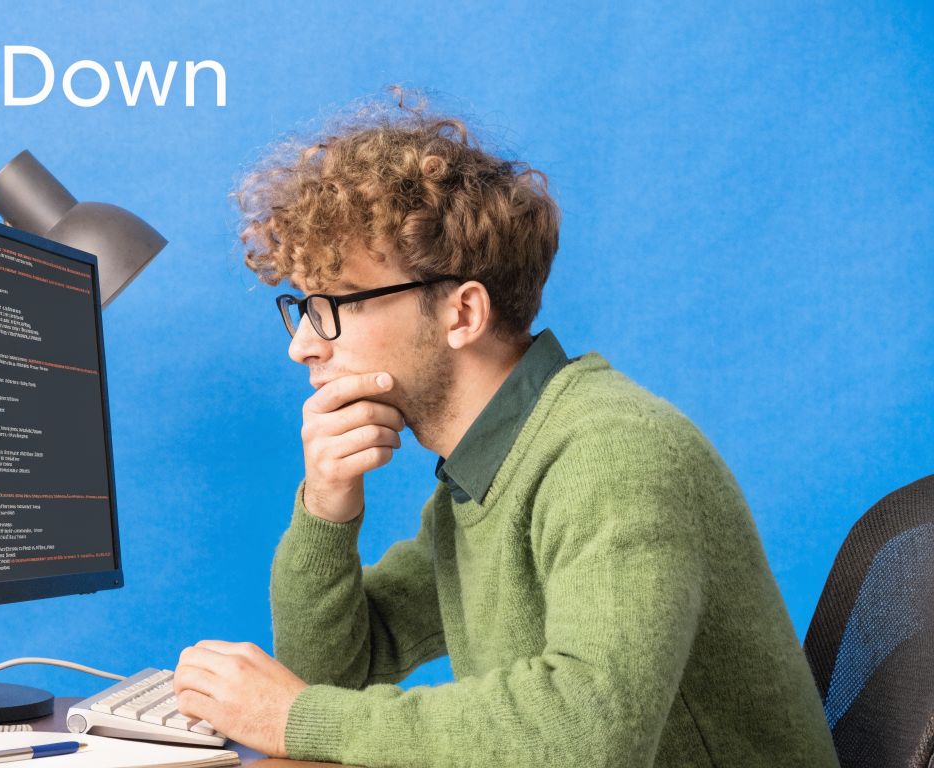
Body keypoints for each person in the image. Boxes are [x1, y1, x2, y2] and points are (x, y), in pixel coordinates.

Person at [171, 92, 839, 767]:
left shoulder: (612, 453)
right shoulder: (484, 475)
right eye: (302, 309)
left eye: (335, 304)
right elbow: (335, 674)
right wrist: (326, 510)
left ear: (463, 314)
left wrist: (295, 716)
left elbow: (587, 730)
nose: (304, 347)